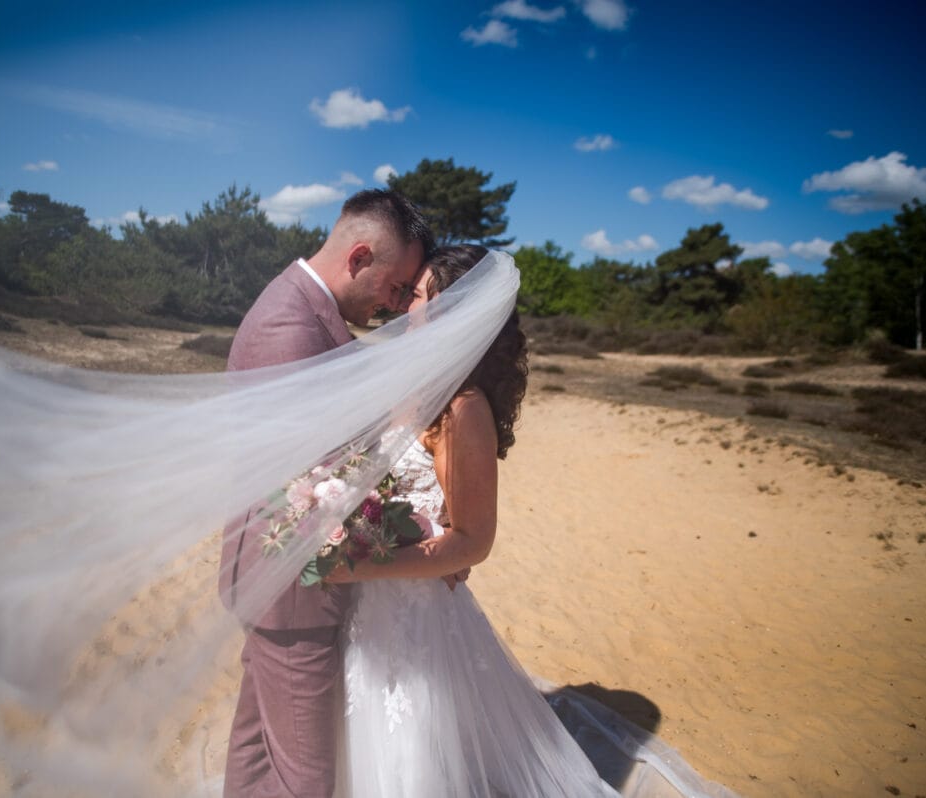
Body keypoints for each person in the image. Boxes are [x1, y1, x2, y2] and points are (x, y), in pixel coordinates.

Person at [330, 245, 734, 797]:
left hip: (413, 615)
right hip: (367, 607)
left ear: (453, 310)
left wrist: (353, 568)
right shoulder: (408, 384)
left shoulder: (462, 408)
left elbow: (473, 541)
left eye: (419, 295)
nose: (404, 306)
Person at [220, 188, 437, 798]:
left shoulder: (304, 308)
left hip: (275, 580)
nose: (396, 305)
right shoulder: (291, 327)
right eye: (396, 288)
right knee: (305, 779)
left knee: (259, 744)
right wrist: (420, 533)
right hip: (291, 585)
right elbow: (317, 487)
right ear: (360, 256)